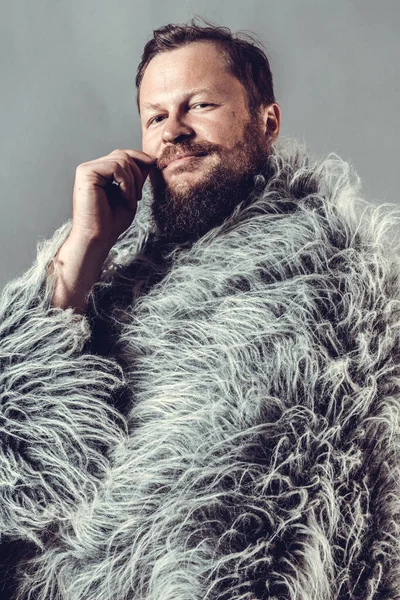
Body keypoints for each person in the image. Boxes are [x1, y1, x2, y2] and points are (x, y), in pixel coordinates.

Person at [0, 19, 399, 600]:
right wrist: (83, 251)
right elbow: (18, 472)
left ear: (268, 121)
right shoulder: (116, 259)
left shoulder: (329, 288)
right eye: (156, 116)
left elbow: (246, 551)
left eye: (200, 105)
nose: (174, 132)